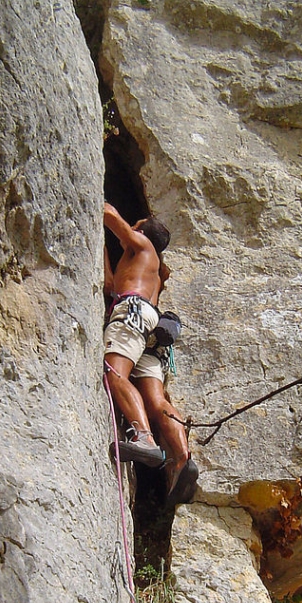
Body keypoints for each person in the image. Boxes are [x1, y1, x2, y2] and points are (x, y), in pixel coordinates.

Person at [103, 202, 198, 507]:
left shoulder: (144, 245)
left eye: (137, 224)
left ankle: (143, 437)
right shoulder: (148, 272)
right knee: (157, 401)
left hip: (131, 312)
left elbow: (110, 216)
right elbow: (108, 285)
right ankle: (182, 458)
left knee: (114, 372)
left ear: (142, 231)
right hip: (150, 325)